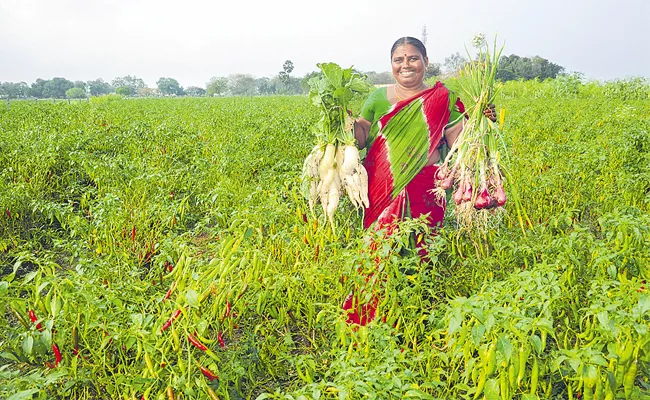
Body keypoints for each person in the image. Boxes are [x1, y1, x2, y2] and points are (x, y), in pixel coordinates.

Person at [342, 37, 495, 325]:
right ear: (391, 65)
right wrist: (347, 123)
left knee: (423, 249)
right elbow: (361, 138)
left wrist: (480, 123)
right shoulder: (377, 98)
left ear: (426, 61)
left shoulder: (444, 98)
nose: (406, 65)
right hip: (381, 186)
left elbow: (458, 141)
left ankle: (415, 318)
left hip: (427, 184)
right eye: (398, 60)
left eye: (413, 58)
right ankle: (373, 319)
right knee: (379, 250)